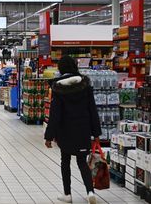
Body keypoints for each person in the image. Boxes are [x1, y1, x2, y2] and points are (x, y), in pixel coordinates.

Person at [44, 55, 101, 204]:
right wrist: (96, 133)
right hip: (83, 129)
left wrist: (49, 136)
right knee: (82, 162)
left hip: (65, 131)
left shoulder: (58, 88)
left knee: (65, 161)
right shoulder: (85, 85)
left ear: (61, 69)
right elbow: (92, 110)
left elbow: (55, 114)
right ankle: (90, 192)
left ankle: (67, 194)